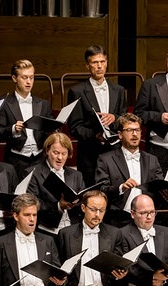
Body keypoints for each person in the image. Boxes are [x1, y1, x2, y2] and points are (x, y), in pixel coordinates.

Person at [0, 193, 66, 286]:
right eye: (27, 215)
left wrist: (61, 282)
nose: (32, 219)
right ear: (15, 216)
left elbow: (57, 273)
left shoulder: (48, 241)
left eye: (34, 215)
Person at [57, 190, 125, 286]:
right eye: (93, 210)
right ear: (83, 208)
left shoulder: (114, 233)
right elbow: (59, 269)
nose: (98, 215)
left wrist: (120, 274)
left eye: (102, 210)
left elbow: (119, 264)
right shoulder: (66, 234)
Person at [67, 45, 127, 186]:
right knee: (91, 194)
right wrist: (95, 136)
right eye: (95, 62)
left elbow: (125, 116)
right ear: (87, 66)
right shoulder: (77, 91)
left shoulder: (118, 90)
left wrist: (115, 118)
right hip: (89, 153)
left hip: (115, 151)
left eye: (102, 62)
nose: (99, 66)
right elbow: (75, 126)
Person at [95, 113, 163, 227]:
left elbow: (159, 189)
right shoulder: (105, 159)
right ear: (120, 134)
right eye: (130, 130)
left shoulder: (152, 160)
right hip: (118, 220)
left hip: (147, 220)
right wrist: (121, 187)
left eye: (137, 130)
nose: (135, 134)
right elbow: (101, 190)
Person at [0, 59, 53, 176]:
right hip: (16, 160)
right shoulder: (4, 103)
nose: (29, 82)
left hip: (40, 159)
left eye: (31, 77)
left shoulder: (43, 103)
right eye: (24, 77)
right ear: (14, 78)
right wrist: (13, 129)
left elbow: (50, 127)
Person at [26, 132, 85, 235]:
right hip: (46, 231)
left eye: (64, 153)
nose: (60, 158)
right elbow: (33, 204)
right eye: (56, 153)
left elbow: (83, 200)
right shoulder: (33, 173)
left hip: (73, 231)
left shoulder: (76, 175)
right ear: (47, 151)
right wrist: (58, 206)